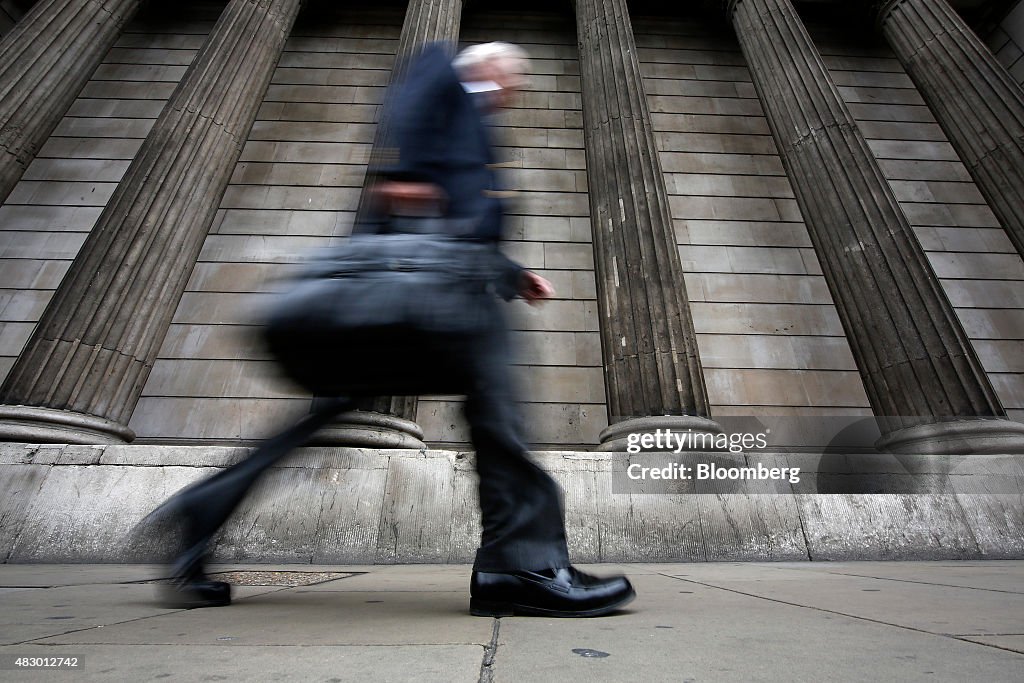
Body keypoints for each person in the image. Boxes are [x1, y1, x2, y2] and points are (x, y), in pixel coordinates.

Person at [142, 42, 635, 618]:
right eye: (512, 77)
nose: (513, 91)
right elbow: (414, 117)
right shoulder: (445, 74)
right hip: (438, 283)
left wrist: (511, 273)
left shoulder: (476, 118)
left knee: (340, 412)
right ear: (488, 66)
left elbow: (465, 203)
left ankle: (201, 510)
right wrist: (408, 176)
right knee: (499, 410)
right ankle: (520, 566)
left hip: (435, 281)